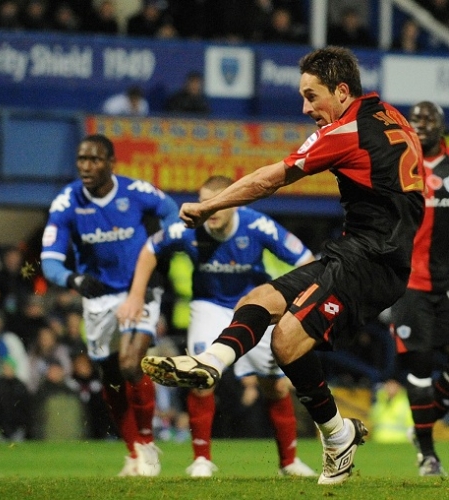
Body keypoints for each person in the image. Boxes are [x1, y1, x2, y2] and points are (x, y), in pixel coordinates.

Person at [139, 46, 425, 485]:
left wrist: (209, 205)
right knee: (258, 299)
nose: (305, 108)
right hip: (356, 251)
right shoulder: (389, 115)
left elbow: (268, 179)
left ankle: (336, 435)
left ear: (342, 91)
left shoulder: (343, 132)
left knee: (286, 341)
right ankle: (212, 361)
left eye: (312, 96)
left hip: (373, 261)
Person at [117, 175, 317, 477]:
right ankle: (201, 460)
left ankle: (288, 462)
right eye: (204, 204)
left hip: (254, 307)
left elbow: (306, 260)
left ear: (233, 203)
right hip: (208, 306)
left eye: (217, 205)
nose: (209, 212)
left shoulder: (257, 225)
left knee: (275, 386)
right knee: (201, 378)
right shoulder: (189, 226)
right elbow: (150, 249)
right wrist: (135, 294)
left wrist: (298, 306)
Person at [40, 133, 180, 476]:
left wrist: (160, 250)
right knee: (112, 379)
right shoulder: (67, 202)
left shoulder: (136, 192)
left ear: (111, 163)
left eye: (94, 159)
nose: (86, 167)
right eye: (82, 160)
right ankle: (133, 452)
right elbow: (50, 260)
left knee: (132, 364)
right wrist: (73, 280)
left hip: (140, 289)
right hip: (99, 297)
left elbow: (171, 212)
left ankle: (148, 445)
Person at [389, 101, 449, 476]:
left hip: (447, 285)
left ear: (441, 126)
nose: (422, 125)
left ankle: (424, 423)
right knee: (421, 368)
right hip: (411, 285)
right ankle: (428, 454)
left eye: (430, 119)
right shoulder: (397, 166)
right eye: (416, 120)